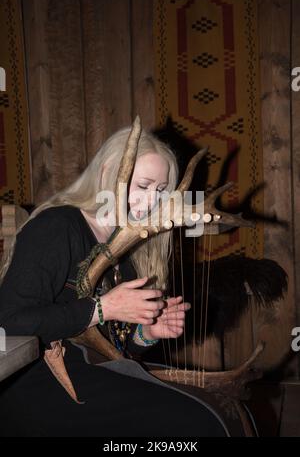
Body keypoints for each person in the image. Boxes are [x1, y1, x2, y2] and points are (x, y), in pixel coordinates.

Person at [0, 126, 227, 437]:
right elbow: (9, 323)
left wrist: (146, 334)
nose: (151, 202)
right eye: (143, 185)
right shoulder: (57, 227)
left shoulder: (129, 243)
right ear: (109, 173)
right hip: (38, 385)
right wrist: (101, 308)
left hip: (92, 373)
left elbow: (114, 350)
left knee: (216, 408)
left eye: (161, 191)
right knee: (195, 422)